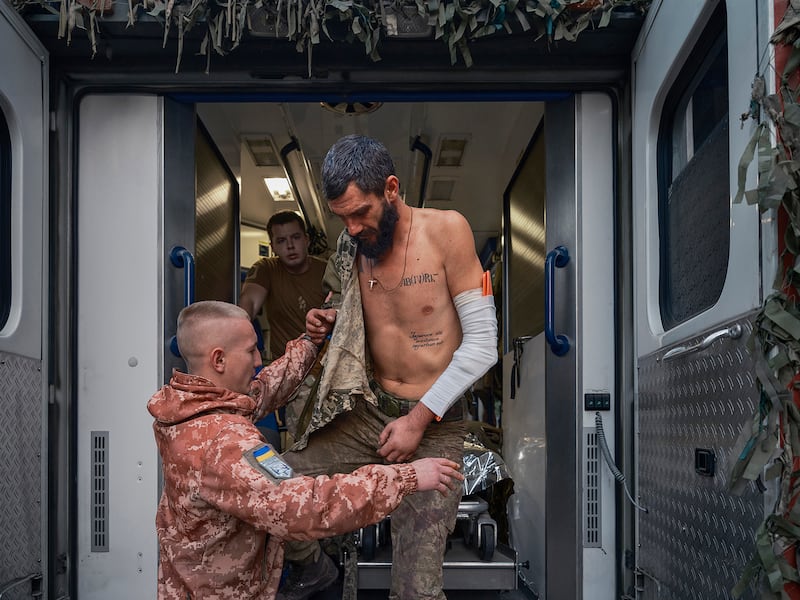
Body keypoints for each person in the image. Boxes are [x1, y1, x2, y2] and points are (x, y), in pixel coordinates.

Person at [281, 134, 498, 600]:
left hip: (435, 423)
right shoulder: (349, 248)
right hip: (366, 413)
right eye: (343, 218)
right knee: (272, 486)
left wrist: (418, 421)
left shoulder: (446, 230)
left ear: (392, 189)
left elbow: (483, 346)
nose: (353, 228)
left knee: (416, 589)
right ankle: (316, 571)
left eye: (361, 213)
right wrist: (330, 320)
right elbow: (361, 313)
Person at [147, 300, 464, 600]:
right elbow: (304, 507)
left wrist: (312, 342)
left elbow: (265, 387)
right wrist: (404, 477)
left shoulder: (190, 405)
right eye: (251, 350)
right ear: (219, 360)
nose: (259, 360)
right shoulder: (222, 444)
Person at [239, 210, 328, 448]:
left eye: (296, 237)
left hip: (328, 370)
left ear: (306, 240)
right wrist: (237, 340)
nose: (290, 246)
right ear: (273, 246)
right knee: (301, 439)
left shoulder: (327, 272)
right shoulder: (267, 269)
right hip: (291, 374)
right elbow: (249, 304)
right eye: (281, 240)